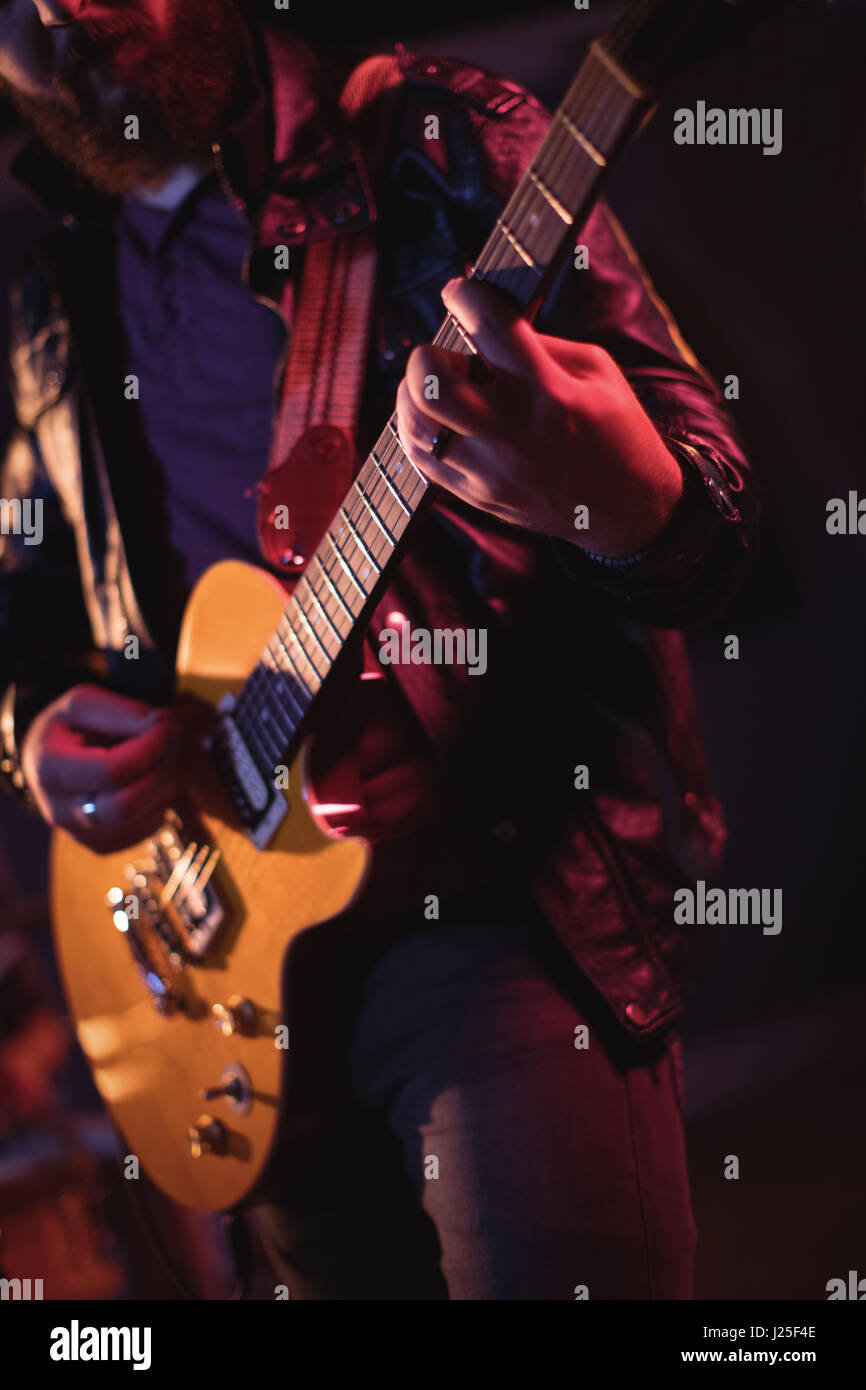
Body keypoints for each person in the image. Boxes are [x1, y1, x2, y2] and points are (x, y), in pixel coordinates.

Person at [0, 0, 755, 1299]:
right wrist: (30, 726)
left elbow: (710, 506)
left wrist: (609, 488)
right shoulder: (42, 282)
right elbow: (27, 595)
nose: (64, 7)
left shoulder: (442, 139)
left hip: (487, 911)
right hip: (227, 963)